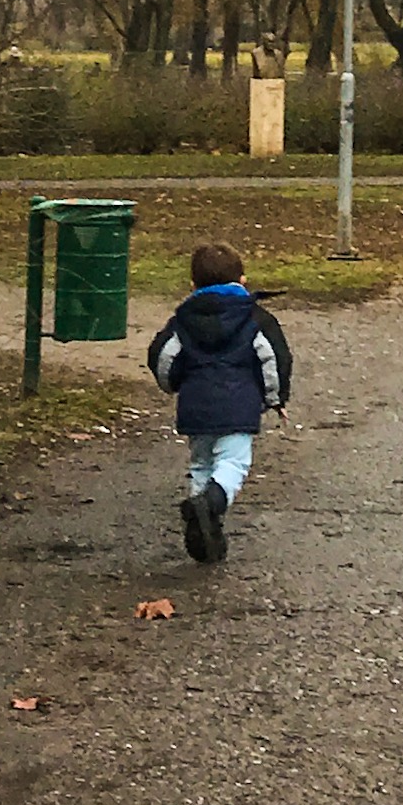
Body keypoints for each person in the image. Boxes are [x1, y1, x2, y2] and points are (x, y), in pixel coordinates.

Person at [145, 242, 293, 564]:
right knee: (232, 464)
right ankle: (210, 505)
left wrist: (171, 386)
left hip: (196, 407)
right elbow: (274, 360)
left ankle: (206, 531)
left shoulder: (182, 321)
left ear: (193, 286)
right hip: (239, 407)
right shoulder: (256, 318)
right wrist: (276, 398)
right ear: (242, 280)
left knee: (202, 464)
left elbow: (163, 357)